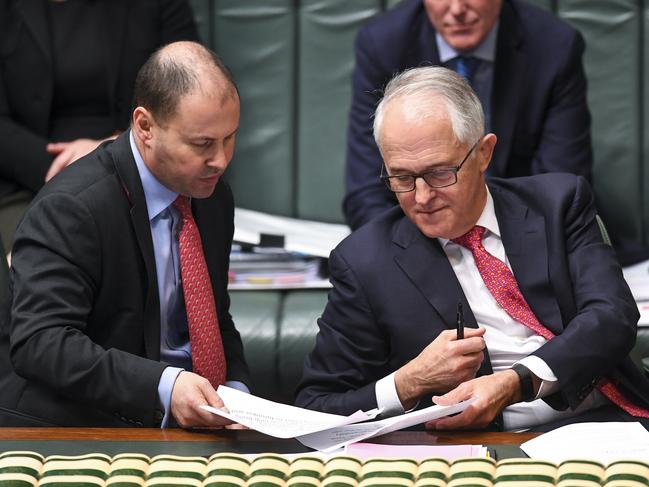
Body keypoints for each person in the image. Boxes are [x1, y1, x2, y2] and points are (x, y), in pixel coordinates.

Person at [296, 66, 649, 432]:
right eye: (401, 177)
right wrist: (407, 383)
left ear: (484, 153)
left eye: (438, 174)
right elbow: (318, 405)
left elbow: (611, 316)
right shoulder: (365, 261)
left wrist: (515, 382)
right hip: (479, 445)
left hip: (606, 421)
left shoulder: (558, 203)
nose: (422, 197)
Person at [0, 41, 250, 428]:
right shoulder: (73, 208)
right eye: (202, 144)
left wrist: (236, 391)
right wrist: (164, 386)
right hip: (90, 428)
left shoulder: (212, 195)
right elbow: (41, 343)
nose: (220, 159)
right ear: (145, 126)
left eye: (229, 137)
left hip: (200, 419)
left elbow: (210, 315)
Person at [343, 0, 592, 231]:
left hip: (524, 231)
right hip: (420, 234)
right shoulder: (383, 43)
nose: (458, 8)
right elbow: (367, 192)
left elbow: (560, 182)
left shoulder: (554, 45)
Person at [0, 0, 198, 251]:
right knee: (36, 262)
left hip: (141, 171)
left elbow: (187, 91)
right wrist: (64, 167)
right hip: (29, 180)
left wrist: (114, 150)